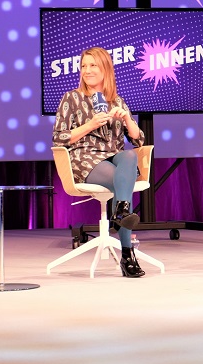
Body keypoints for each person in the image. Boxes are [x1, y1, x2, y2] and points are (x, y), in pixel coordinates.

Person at [52, 47, 148, 278]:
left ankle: (120, 211)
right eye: (83, 66)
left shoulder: (117, 100)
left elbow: (138, 139)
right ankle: (127, 254)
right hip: (85, 158)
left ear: (105, 69)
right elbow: (59, 137)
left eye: (93, 65)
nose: (87, 70)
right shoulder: (71, 98)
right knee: (123, 185)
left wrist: (126, 118)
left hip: (114, 156)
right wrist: (91, 125)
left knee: (129, 156)